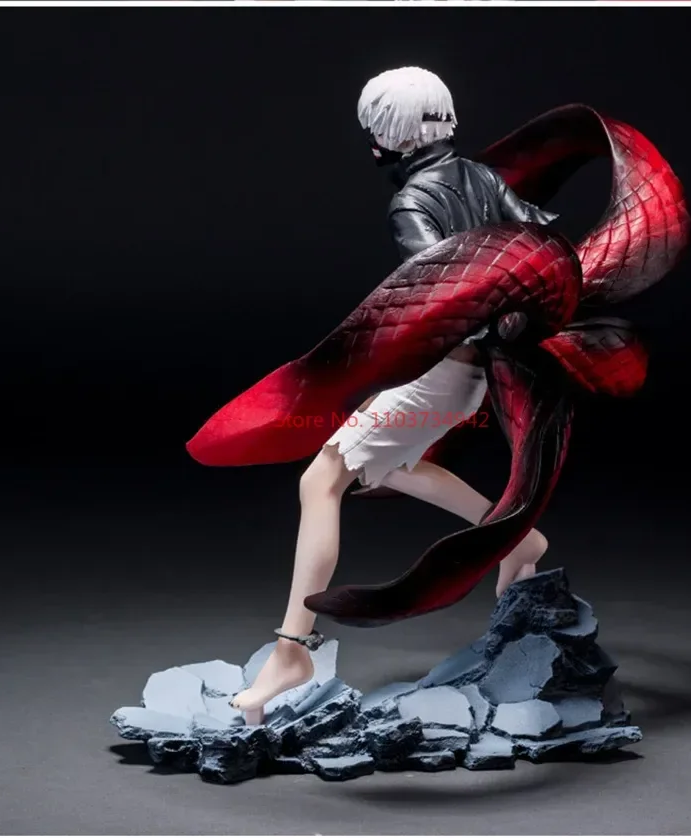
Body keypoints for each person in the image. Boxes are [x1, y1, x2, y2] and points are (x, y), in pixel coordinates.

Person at [230, 67, 557, 723]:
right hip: (472, 374)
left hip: (442, 373)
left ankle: (292, 650)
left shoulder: (412, 202)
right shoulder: (482, 177)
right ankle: (518, 539)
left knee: (321, 480)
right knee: (395, 467)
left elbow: (444, 296)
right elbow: (540, 238)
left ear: (388, 135)